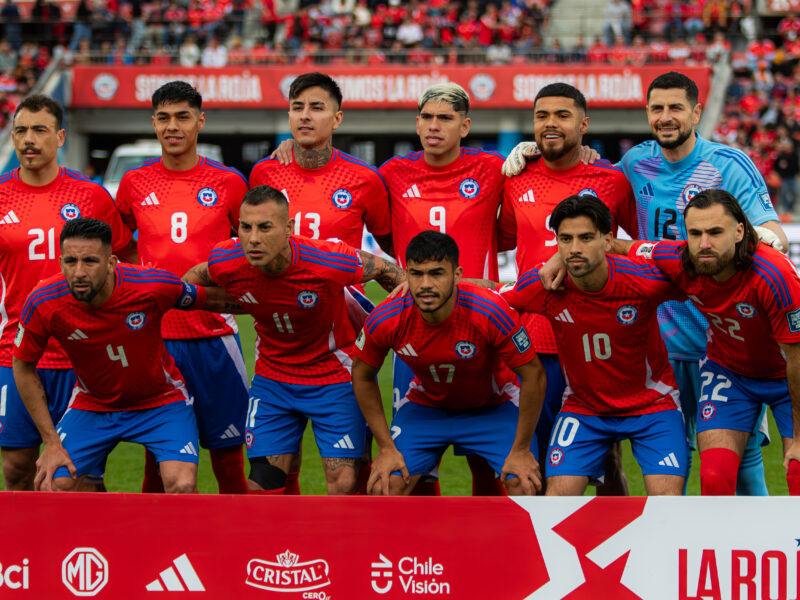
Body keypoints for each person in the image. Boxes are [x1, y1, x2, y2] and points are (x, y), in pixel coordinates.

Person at [504, 71, 788, 495]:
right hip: (655, 337)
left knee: (739, 463)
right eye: (657, 108)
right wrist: (536, 150)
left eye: (676, 108)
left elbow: (773, 233)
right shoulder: (636, 163)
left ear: (696, 111)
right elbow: (589, 186)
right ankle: (681, 550)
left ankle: (741, 552)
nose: (666, 117)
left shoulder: (727, 164)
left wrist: (766, 242)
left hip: (724, 335)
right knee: (689, 459)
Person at [183, 185, 406, 495]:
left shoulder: (329, 260)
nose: (254, 238)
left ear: (288, 228)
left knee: (342, 484)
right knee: (262, 485)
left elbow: (387, 268)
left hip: (332, 376)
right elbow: (195, 277)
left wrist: (400, 320)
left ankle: (342, 543)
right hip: (273, 378)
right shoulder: (226, 259)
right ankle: (281, 545)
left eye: (265, 227)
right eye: (245, 227)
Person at [12, 218, 239, 492]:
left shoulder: (150, 285)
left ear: (111, 262)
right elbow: (22, 366)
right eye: (71, 261)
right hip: (93, 404)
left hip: (161, 402)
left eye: (90, 261)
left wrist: (272, 302)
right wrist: (50, 443)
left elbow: (211, 299)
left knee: (182, 484)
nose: (79, 272)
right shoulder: (43, 302)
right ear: (60, 263)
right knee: (53, 484)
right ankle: (93, 535)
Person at [252, 72, 393, 493]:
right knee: (269, 479)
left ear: (338, 117)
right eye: (297, 107)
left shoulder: (364, 179)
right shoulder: (264, 172)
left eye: (316, 107)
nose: (305, 116)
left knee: (346, 480)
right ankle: (279, 556)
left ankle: (354, 552)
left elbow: (388, 252)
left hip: (341, 345)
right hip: (277, 340)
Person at [498, 82, 638, 494]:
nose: (551, 124)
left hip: (596, 337)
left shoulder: (611, 179)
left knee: (607, 458)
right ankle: (540, 553)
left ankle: (618, 548)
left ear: (584, 123)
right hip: (534, 340)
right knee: (534, 463)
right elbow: (504, 240)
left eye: (562, 115)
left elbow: (635, 244)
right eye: (542, 116)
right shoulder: (515, 178)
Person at [500, 195, 687, 496]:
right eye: (566, 239)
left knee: (667, 504)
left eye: (586, 238)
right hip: (584, 408)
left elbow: (692, 260)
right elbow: (489, 298)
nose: (575, 248)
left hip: (653, 405)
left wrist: (629, 247)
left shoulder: (643, 280)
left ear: (607, 239)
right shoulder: (546, 286)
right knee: (556, 502)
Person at [115, 81, 250, 495]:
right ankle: (154, 554)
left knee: (228, 464)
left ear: (200, 121)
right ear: (153, 123)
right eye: (164, 118)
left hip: (214, 339)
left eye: (183, 117)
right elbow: (121, 248)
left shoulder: (229, 183)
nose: (173, 127)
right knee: (155, 466)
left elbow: (249, 249)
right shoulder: (134, 183)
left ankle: (237, 555)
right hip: (153, 339)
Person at [617, 189, 800, 495]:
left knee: (798, 471)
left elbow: (797, 356)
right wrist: (559, 257)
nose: (704, 244)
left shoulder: (773, 274)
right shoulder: (676, 258)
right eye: (695, 233)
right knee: (714, 478)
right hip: (729, 371)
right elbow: (626, 247)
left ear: (740, 230)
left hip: (788, 374)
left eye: (715, 232)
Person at [378, 82, 509, 496]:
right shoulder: (392, 173)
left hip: (480, 327)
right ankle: (427, 556)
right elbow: (382, 234)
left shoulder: (493, 169)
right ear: (417, 124)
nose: (435, 126)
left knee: (488, 468)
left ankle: (488, 552)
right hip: (413, 329)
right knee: (415, 474)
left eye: (446, 118)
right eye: (428, 118)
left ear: (465, 126)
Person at [0, 94, 135, 491]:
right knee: (16, 467)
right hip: (17, 350)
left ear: (59, 137)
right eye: (21, 130)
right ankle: (20, 553)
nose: (29, 139)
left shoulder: (90, 196)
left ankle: (92, 552)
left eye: (39, 130)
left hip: (83, 352)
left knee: (79, 476)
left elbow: (123, 259)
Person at [352, 230, 545, 496]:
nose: (425, 284)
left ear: (457, 274)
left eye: (437, 273)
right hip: (427, 408)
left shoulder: (489, 310)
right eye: (416, 274)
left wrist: (522, 450)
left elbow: (533, 373)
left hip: (493, 407)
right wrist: (385, 448)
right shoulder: (388, 317)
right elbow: (362, 374)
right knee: (385, 484)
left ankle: (504, 538)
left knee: (523, 483)